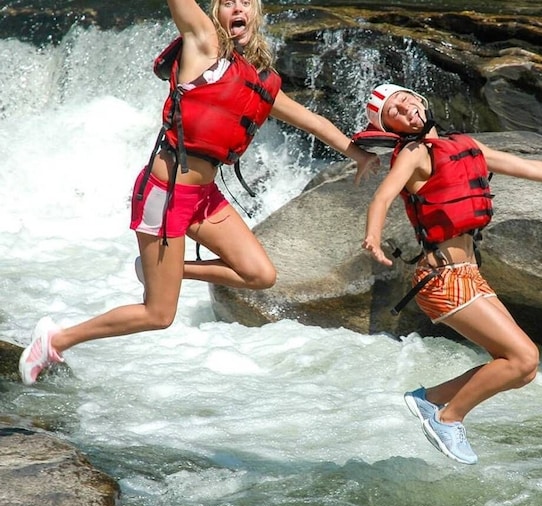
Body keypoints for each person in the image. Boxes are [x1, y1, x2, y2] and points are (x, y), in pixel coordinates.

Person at [18, 0, 379, 385]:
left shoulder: (262, 81)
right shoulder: (204, 43)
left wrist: (357, 154)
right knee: (158, 315)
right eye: (227, 3)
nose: (237, 8)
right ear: (215, 13)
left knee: (260, 274)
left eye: (245, 3)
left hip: (205, 198)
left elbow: (314, 121)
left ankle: (167, 272)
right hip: (167, 192)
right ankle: (55, 340)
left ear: (256, 13)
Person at [360, 83, 542, 465]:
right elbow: (383, 196)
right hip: (442, 280)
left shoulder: (464, 146)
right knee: (522, 358)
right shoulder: (413, 153)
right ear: (393, 129)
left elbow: (528, 167)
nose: (406, 112)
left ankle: (430, 398)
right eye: (395, 114)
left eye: (406, 102)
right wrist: (372, 236)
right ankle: (447, 417)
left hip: (470, 275)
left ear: (421, 99)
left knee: (522, 371)